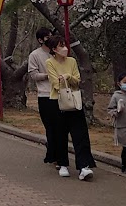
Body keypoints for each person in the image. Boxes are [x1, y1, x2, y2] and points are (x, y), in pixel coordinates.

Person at [45, 35, 96, 180]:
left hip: (74, 101)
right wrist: (65, 80)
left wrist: (68, 77)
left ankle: (84, 166)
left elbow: (77, 80)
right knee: (60, 133)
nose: (65, 48)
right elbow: (55, 83)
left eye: (65, 45)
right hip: (57, 101)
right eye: (61, 46)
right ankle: (62, 164)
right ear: (54, 49)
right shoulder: (50, 63)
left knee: (80, 134)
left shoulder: (72, 61)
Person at [28, 27, 58, 165]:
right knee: (50, 126)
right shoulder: (35, 55)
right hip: (45, 95)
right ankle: (53, 154)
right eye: (47, 37)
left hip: (60, 93)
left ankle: (57, 154)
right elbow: (33, 75)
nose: (50, 39)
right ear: (40, 40)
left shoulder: (57, 53)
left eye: (51, 36)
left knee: (60, 127)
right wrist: (48, 76)